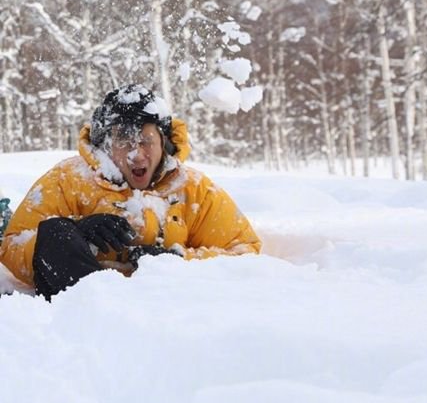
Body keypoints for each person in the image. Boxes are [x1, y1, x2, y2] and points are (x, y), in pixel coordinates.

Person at [0, 83, 261, 300]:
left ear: (165, 144)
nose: (137, 154)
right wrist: (76, 231)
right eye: (123, 142)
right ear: (104, 146)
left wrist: (178, 260)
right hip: (87, 303)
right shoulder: (67, 179)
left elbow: (245, 252)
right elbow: (12, 246)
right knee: (55, 233)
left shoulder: (194, 188)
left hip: (171, 304)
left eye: (146, 141)